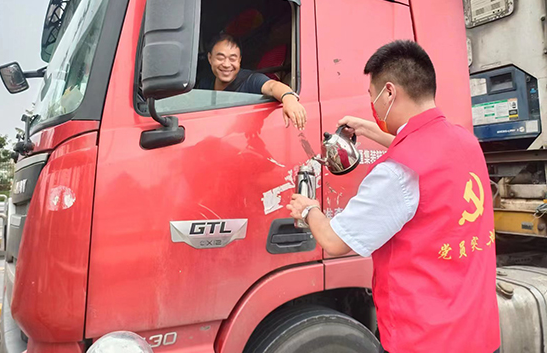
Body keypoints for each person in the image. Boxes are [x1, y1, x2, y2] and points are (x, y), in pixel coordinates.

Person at [287, 40, 500, 353]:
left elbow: (334, 241)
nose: (373, 105)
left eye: (372, 96)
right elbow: (423, 150)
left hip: (425, 341)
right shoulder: (465, 142)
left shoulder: (396, 172)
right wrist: (370, 130)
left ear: (389, 92)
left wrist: (309, 210)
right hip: (479, 332)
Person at [196, 33, 307, 129]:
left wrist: (288, 98)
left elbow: (272, 86)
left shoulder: (250, 79)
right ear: (210, 58)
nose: (226, 64)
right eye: (220, 58)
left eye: (232, 59)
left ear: (239, 60)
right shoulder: (205, 83)